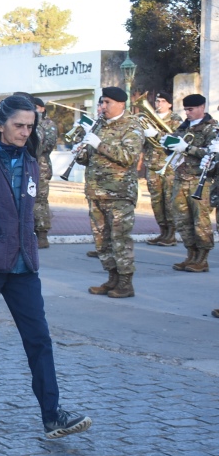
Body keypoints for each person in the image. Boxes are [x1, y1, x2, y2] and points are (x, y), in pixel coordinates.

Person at [0, 95, 92, 439]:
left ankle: (52, 414)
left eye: (30, 126)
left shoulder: (29, 162)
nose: (25, 132)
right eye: (19, 126)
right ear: (0, 125)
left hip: (23, 266)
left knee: (39, 338)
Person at [74, 87, 144, 298]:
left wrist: (99, 144)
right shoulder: (100, 126)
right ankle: (112, 278)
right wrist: (80, 153)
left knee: (119, 239)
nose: (102, 107)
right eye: (102, 103)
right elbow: (90, 159)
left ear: (121, 104)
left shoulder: (132, 126)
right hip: (96, 191)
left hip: (119, 194)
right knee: (101, 240)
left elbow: (128, 157)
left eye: (107, 103)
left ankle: (125, 282)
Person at [167, 93, 219, 273]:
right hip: (180, 179)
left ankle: (202, 259)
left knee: (200, 221)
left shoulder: (212, 129)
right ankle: (190, 255)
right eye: (186, 110)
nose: (187, 113)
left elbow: (213, 153)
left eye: (191, 109)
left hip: (200, 181)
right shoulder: (183, 127)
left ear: (202, 108)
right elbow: (173, 144)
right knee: (182, 220)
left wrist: (188, 148)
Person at [143, 92, 182, 246]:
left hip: (168, 166)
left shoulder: (176, 120)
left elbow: (175, 139)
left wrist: (157, 134)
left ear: (170, 104)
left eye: (162, 101)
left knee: (168, 200)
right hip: (152, 165)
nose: (158, 104)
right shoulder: (151, 119)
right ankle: (162, 232)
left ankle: (171, 234)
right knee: (156, 201)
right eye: (157, 101)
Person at [32, 97, 58, 248]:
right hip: (29, 164)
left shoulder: (48, 124)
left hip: (41, 166)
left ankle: (42, 234)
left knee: (40, 200)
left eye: (36, 107)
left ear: (42, 108)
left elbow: (47, 145)